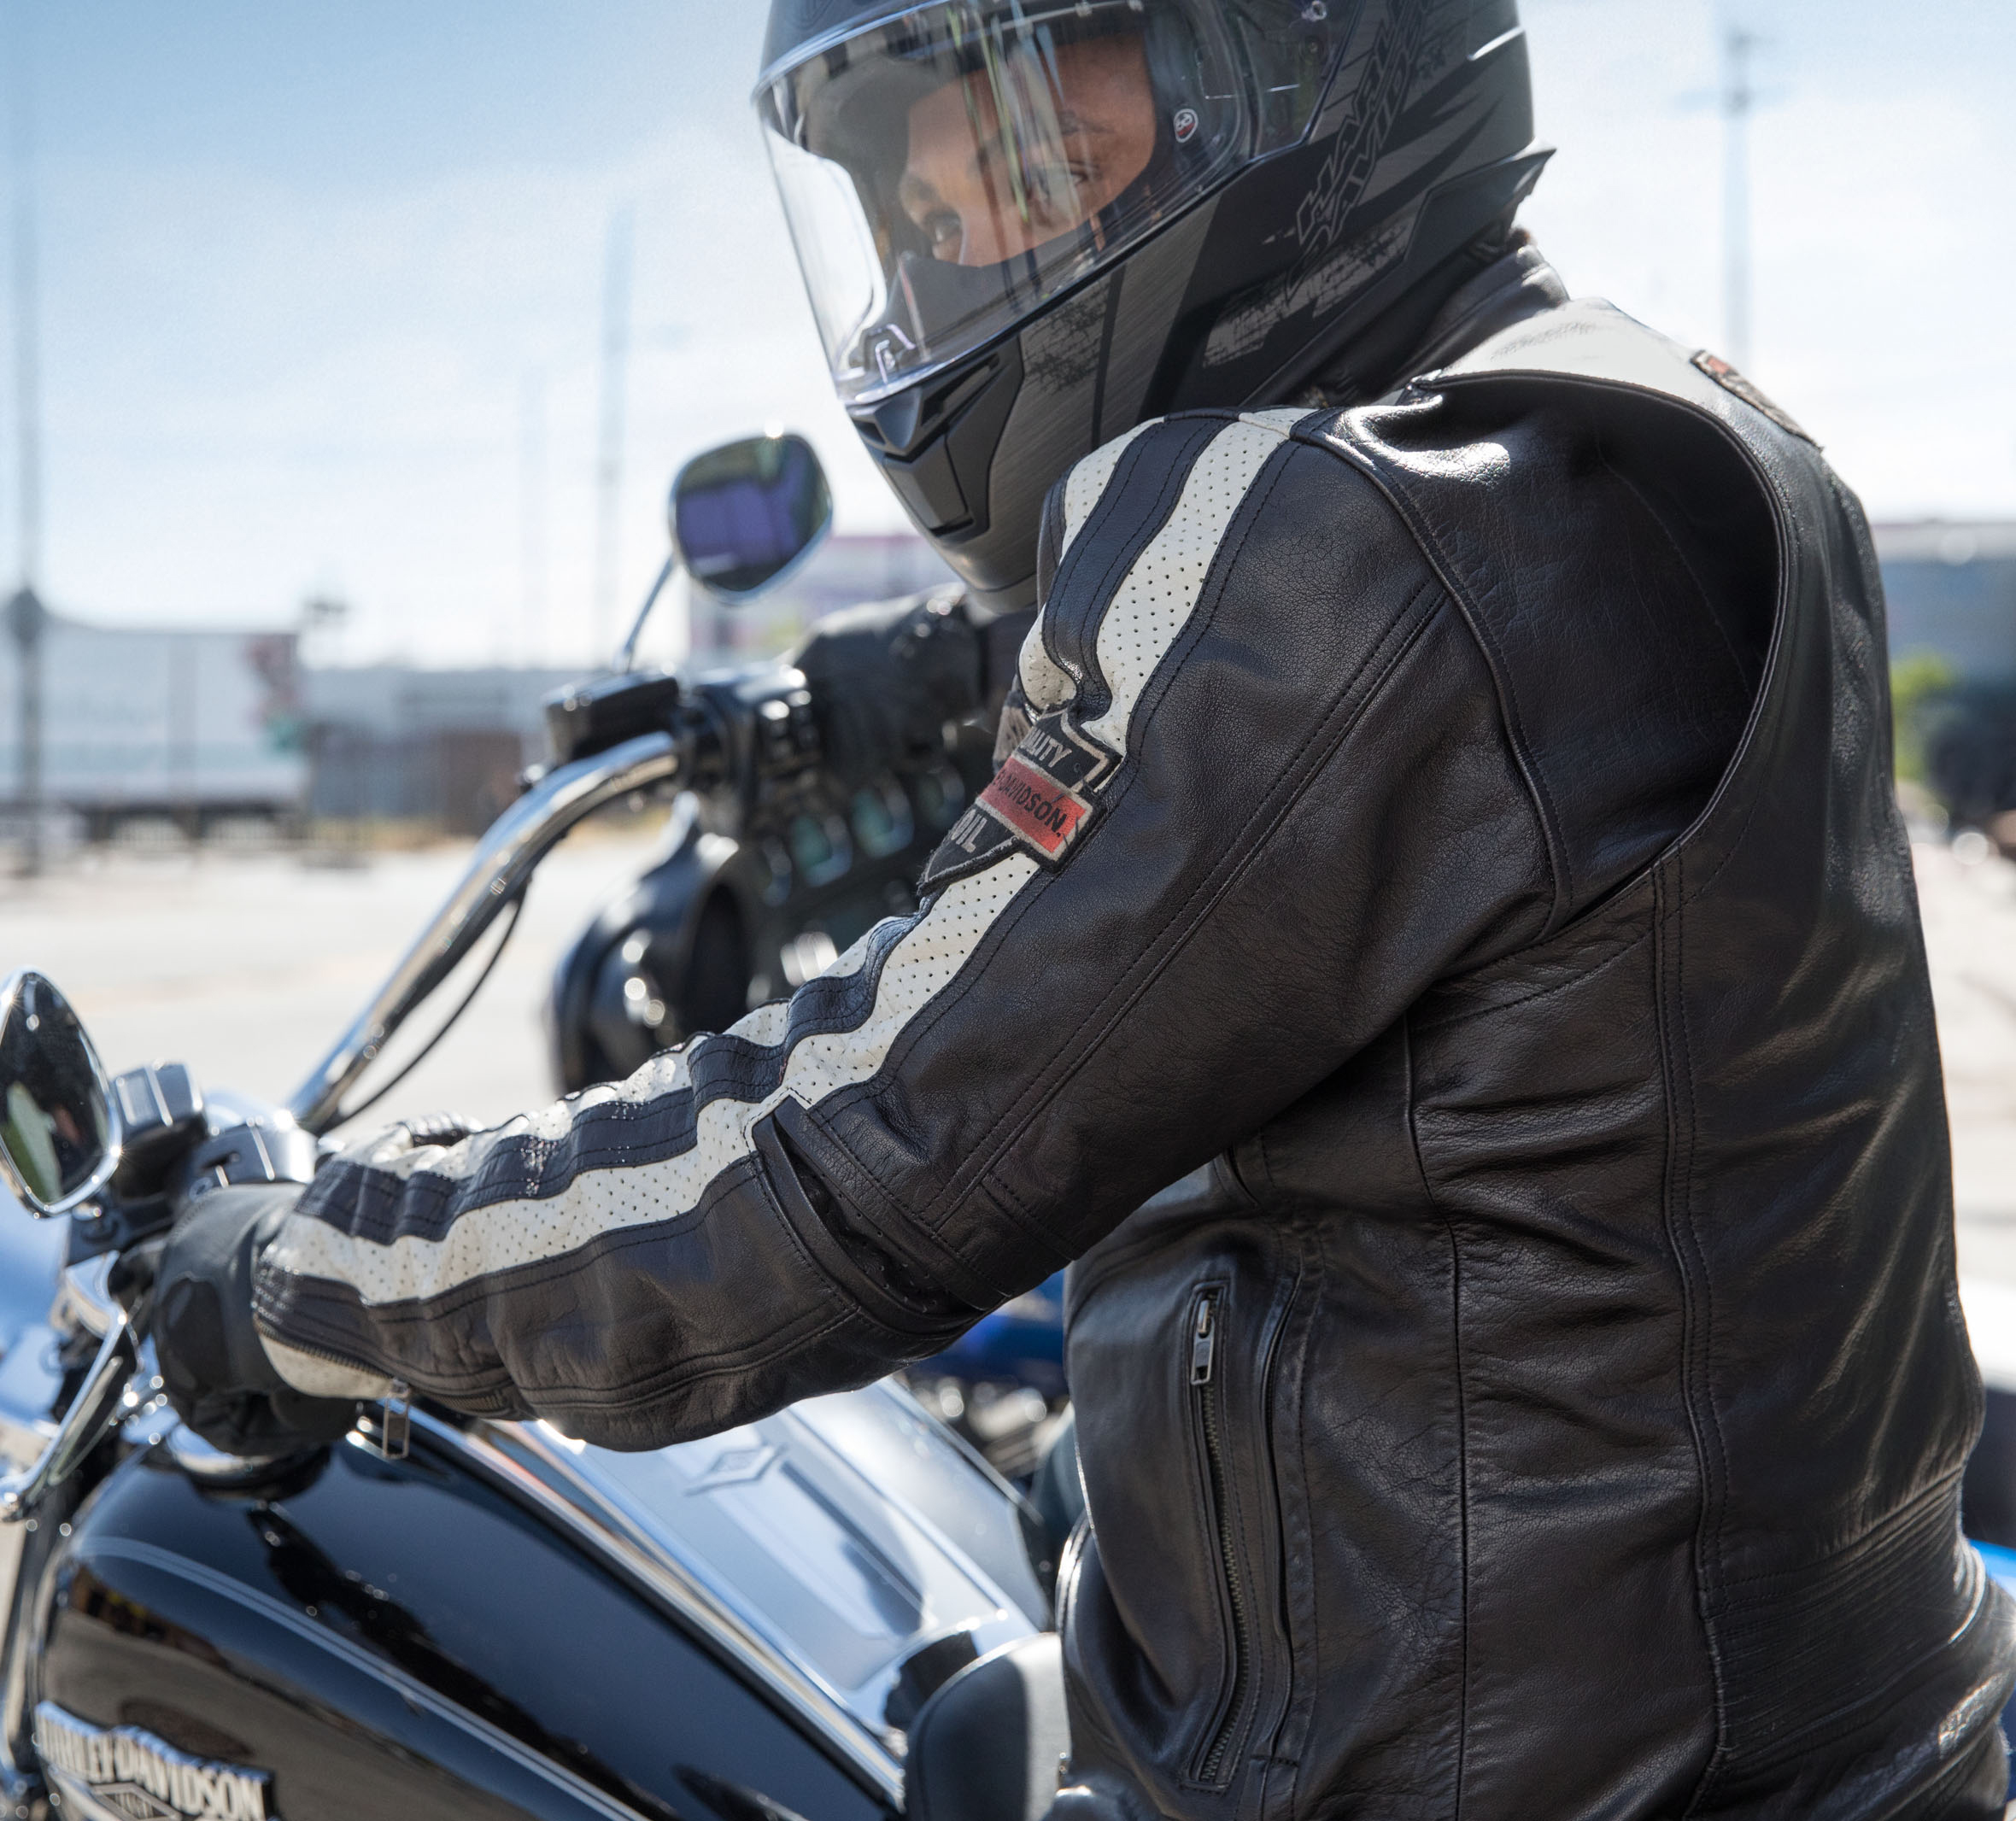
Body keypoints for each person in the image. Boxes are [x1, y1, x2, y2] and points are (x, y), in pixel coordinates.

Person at [153, 2, 2015, 1815]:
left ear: (1310, 62)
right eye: (937, 226)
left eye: (1039, 169)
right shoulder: (1640, 431)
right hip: (1805, 1729)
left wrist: (298, 1272)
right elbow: (1362, 712)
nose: (968, 259)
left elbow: (832, 1173)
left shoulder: (1324, 532)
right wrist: (924, 684)